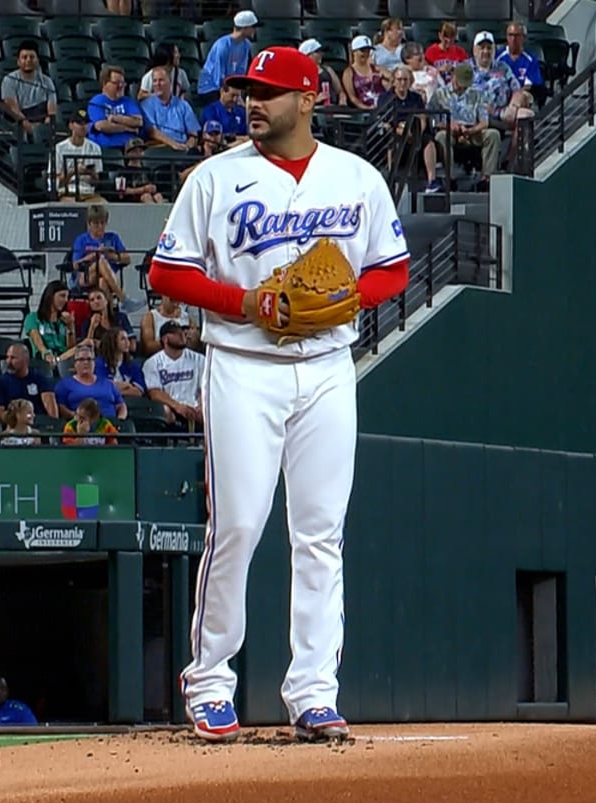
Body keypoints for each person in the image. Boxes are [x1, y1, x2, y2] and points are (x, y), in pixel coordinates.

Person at [146, 47, 410, 744]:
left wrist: (348, 299)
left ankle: (315, 692)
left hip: (326, 367)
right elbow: (166, 273)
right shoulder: (214, 178)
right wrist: (245, 301)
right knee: (236, 524)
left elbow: (392, 268)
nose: (252, 103)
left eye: (267, 92)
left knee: (320, 533)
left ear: (308, 99)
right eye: (247, 92)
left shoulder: (356, 177)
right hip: (241, 364)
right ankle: (210, 681)